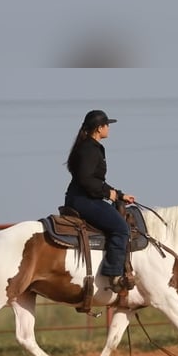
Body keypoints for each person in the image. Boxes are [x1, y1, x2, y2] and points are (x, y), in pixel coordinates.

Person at [64, 109, 136, 291]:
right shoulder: (89, 149)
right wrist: (108, 194)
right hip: (84, 200)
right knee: (121, 228)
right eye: (107, 125)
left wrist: (118, 195)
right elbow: (86, 180)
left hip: (83, 197)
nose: (109, 129)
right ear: (99, 128)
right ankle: (113, 274)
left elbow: (96, 181)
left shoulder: (89, 147)